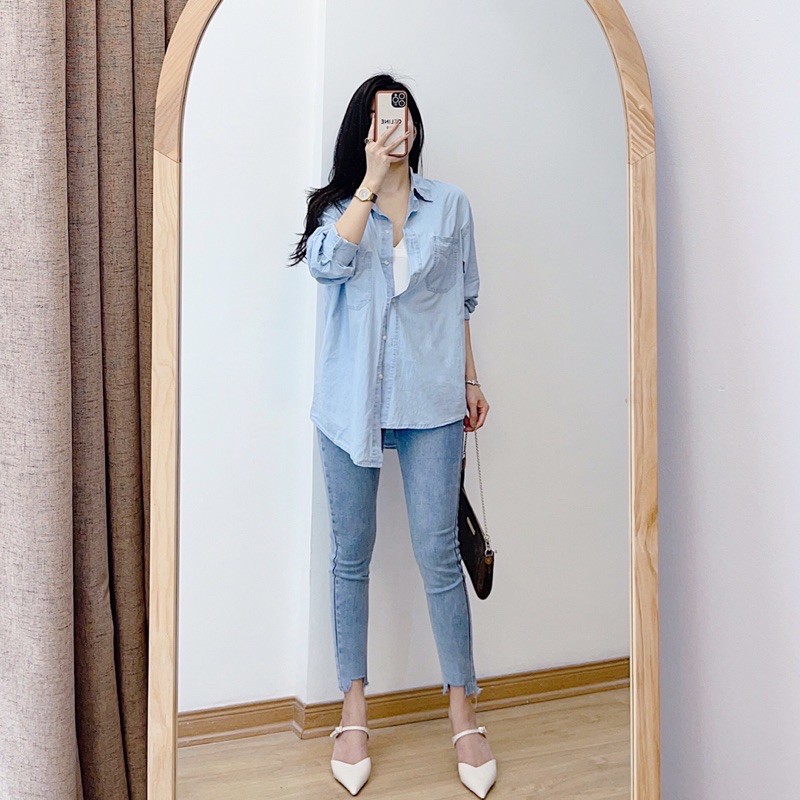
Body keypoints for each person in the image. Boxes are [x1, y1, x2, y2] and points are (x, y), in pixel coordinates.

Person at [290, 74, 496, 798]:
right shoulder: (338, 209)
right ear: (364, 130)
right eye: (381, 120)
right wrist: (370, 186)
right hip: (350, 405)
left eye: (402, 116)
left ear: (416, 125)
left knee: (439, 555)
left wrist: (471, 381)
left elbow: (459, 303)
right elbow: (327, 268)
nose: (395, 129)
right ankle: (353, 708)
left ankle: (463, 712)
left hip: (431, 402)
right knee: (350, 556)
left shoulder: (452, 205)